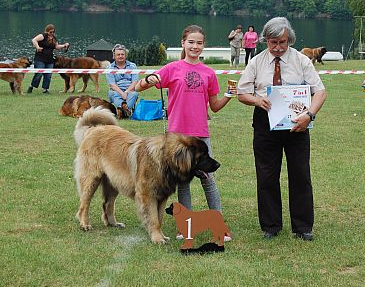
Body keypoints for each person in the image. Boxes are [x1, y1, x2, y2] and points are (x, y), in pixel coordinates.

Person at [136, 25, 235, 241]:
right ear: (183, 43)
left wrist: (229, 94)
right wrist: (148, 80)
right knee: (182, 182)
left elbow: (215, 106)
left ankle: (220, 224)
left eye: (199, 43)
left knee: (208, 179)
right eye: (191, 42)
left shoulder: (209, 73)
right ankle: (185, 227)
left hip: (200, 135)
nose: (195, 46)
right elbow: (139, 87)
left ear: (203, 46)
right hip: (177, 138)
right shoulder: (172, 68)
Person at [237, 17, 327, 241]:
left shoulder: (301, 60)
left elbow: (320, 91)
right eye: (273, 42)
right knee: (266, 174)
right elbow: (241, 92)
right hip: (264, 122)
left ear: (290, 40)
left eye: (283, 42)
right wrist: (257, 101)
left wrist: (309, 115)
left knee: (300, 174)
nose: (277, 48)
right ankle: (270, 225)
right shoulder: (256, 62)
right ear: (265, 40)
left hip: (297, 123)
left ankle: (303, 227)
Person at [27, 24, 69, 94]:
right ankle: (31, 86)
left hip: (50, 59)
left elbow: (57, 47)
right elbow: (34, 40)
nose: (52, 33)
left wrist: (64, 45)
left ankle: (45, 89)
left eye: (53, 32)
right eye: (50, 32)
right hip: (40, 58)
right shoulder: (42, 36)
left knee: (48, 75)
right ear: (47, 31)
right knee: (39, 74)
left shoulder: (54, 38)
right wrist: (37, 47)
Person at [105, 44, 139, 117]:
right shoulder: (109, 68)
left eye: (122, 54)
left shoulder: (133, 66)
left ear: (125, 55)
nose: (120, 56)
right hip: (116, 90)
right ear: (114, 56)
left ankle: (122, 111)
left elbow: (135, 82)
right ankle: (125, 110)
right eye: (118, 54)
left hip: (130, 90)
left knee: (134, 94)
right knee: (113, 94)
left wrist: (126, 92)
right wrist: (122, 93)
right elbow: (112, 85)